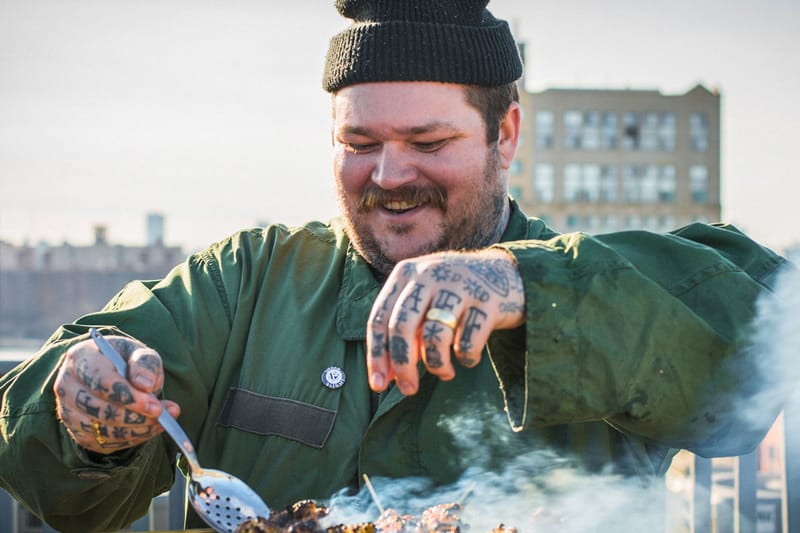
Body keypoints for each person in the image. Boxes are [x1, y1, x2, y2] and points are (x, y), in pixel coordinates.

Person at [0, 1, 791, 531]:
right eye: (361, 144)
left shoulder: (594, 277)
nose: (388, 175)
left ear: (505, 136)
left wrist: (524, 285)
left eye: (428, 143)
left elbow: (756, 329)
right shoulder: (245, 279)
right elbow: (47, 473)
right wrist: (80, 409)